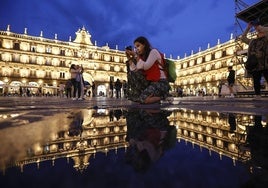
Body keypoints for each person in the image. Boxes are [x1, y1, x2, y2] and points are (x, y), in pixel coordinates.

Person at [126, 36, 170, 104]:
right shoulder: (141, 57)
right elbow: (134, 70)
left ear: (144, 45)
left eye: (138, 46)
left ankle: (164, 97)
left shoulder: (153, 52)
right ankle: (151, 97)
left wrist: (135, 55)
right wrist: (129, 58)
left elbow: (146, 66)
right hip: (151, 82)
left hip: (161, 83)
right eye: (135, 47)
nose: (136, 49)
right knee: (133, 96)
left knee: (143, 99)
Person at [241, 21, 268, 99]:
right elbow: (243, 38)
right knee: (256, 80)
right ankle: (257, 95)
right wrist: (248, 28)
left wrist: (258, 27)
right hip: (255, 64)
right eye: (258, 32)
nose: (259, 32)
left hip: (265, 62)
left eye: (261, 31)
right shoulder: (252, 41)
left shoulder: (266, 38)